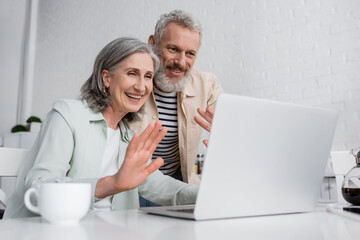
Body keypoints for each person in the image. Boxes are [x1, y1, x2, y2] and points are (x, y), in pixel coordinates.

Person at [3, 37, 197, 219]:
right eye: (132, 73)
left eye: (148, 76)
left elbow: (165, 188)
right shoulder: (67, 116)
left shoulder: (129, 138)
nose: (141, 86)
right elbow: (39, 188)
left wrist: (209, 194)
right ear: (106, 78)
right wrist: (112, 184)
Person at [129, 9, 223, 190]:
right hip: (132, 185)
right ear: (152, 44)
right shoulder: (129, 83)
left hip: (176, 182)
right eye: (173, 49)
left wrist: (228, 134)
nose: (180, 61)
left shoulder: (207, 85)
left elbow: (235, 122)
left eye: (190, 54)